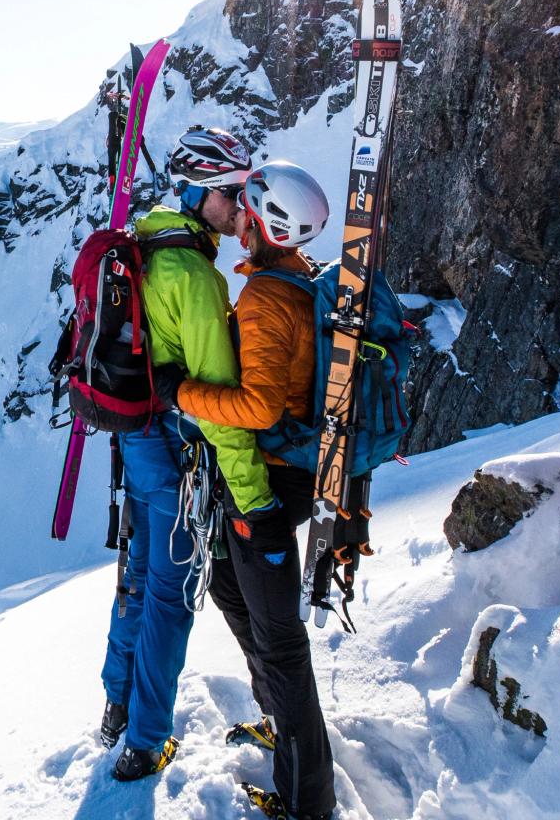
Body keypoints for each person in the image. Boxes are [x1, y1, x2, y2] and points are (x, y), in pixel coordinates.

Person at [156, 160, 337, 820]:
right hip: (285, 477)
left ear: (268, 224)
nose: (238, 219)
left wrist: (181, 392)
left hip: (271, 485)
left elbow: (257, 408)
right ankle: (282, 728)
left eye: (248, 211)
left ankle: (306, 800)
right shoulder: (292, 281)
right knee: (233, 591)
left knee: (281, 643)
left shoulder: (265, 298)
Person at [96, 126, 256, 782]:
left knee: (138, 573)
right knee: (172, 588)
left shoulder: (149, 235)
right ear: (196, 190)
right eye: (230, 192)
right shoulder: (193, 275)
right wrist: (250, 491)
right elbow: (217, 402)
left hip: (137, 435)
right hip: (176, 449)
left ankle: (117, 703)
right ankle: (147, 739)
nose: (239, 204)